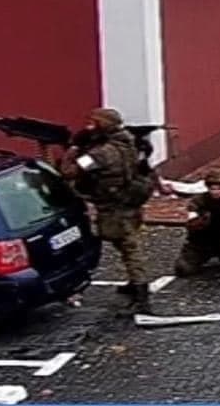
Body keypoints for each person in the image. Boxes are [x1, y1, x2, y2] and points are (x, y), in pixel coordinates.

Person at [59, 108, 153, 314]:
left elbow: (69, 172)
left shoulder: (101, 154)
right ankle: (135, 284)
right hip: (129, 200)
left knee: (129, 248)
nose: (89, 127)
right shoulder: (129, 142)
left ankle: (141, 296)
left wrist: (73, 150)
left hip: (113, 207)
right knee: (129, 244)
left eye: (93, 123)